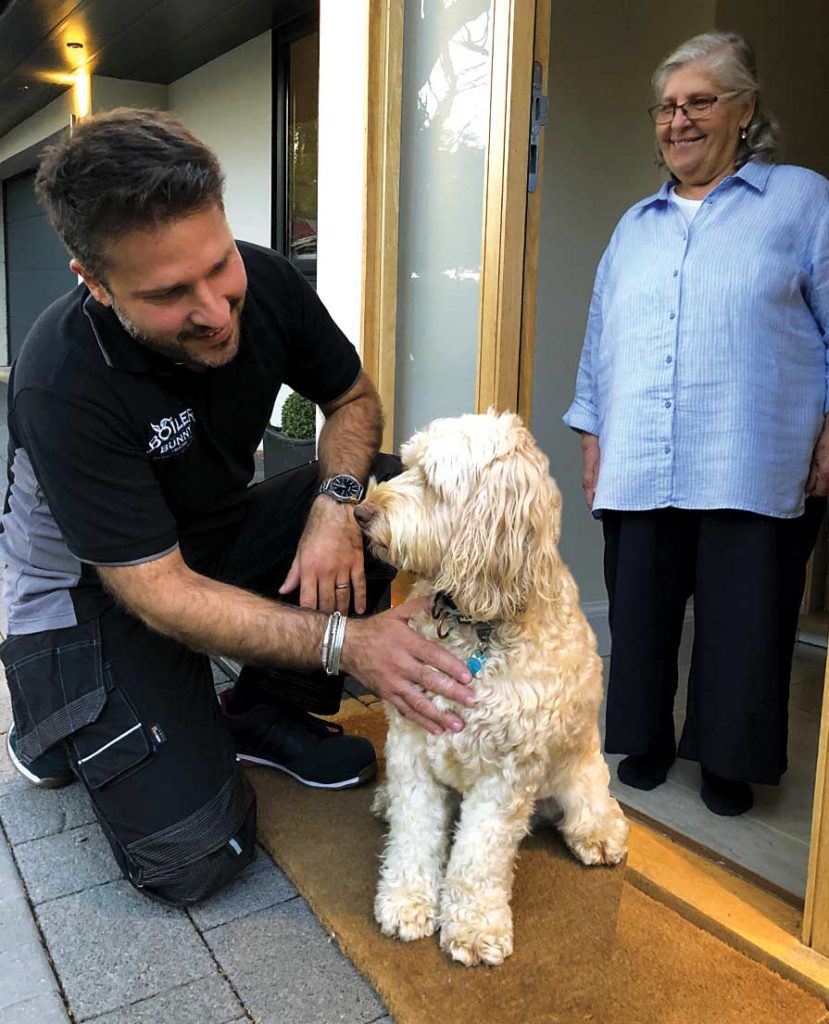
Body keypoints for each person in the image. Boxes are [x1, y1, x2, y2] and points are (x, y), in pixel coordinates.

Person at [0, 108, 474, 905]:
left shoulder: (268, 283)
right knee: (192, 861)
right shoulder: (61, 379)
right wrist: (346, 645)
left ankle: (256, 710)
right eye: (169, 293)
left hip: (204, 539)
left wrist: (335, 503)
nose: (216, 311)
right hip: (92, 596)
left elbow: (352, 398)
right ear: (94, 280)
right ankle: (58, 721)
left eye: (218, 266)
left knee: (384, 493)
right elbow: (159, 592)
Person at [564, 32, 829, 817]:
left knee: (744, 621)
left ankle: (726, 758)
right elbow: (599, 343)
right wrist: (592, 438)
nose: (678, 121)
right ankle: (641, 741)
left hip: (754, 456)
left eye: (699, 102)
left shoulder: (801, 201)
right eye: (667, 107)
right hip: (641, 455)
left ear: (743, 111)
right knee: (641, 611)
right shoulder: (633, 226)